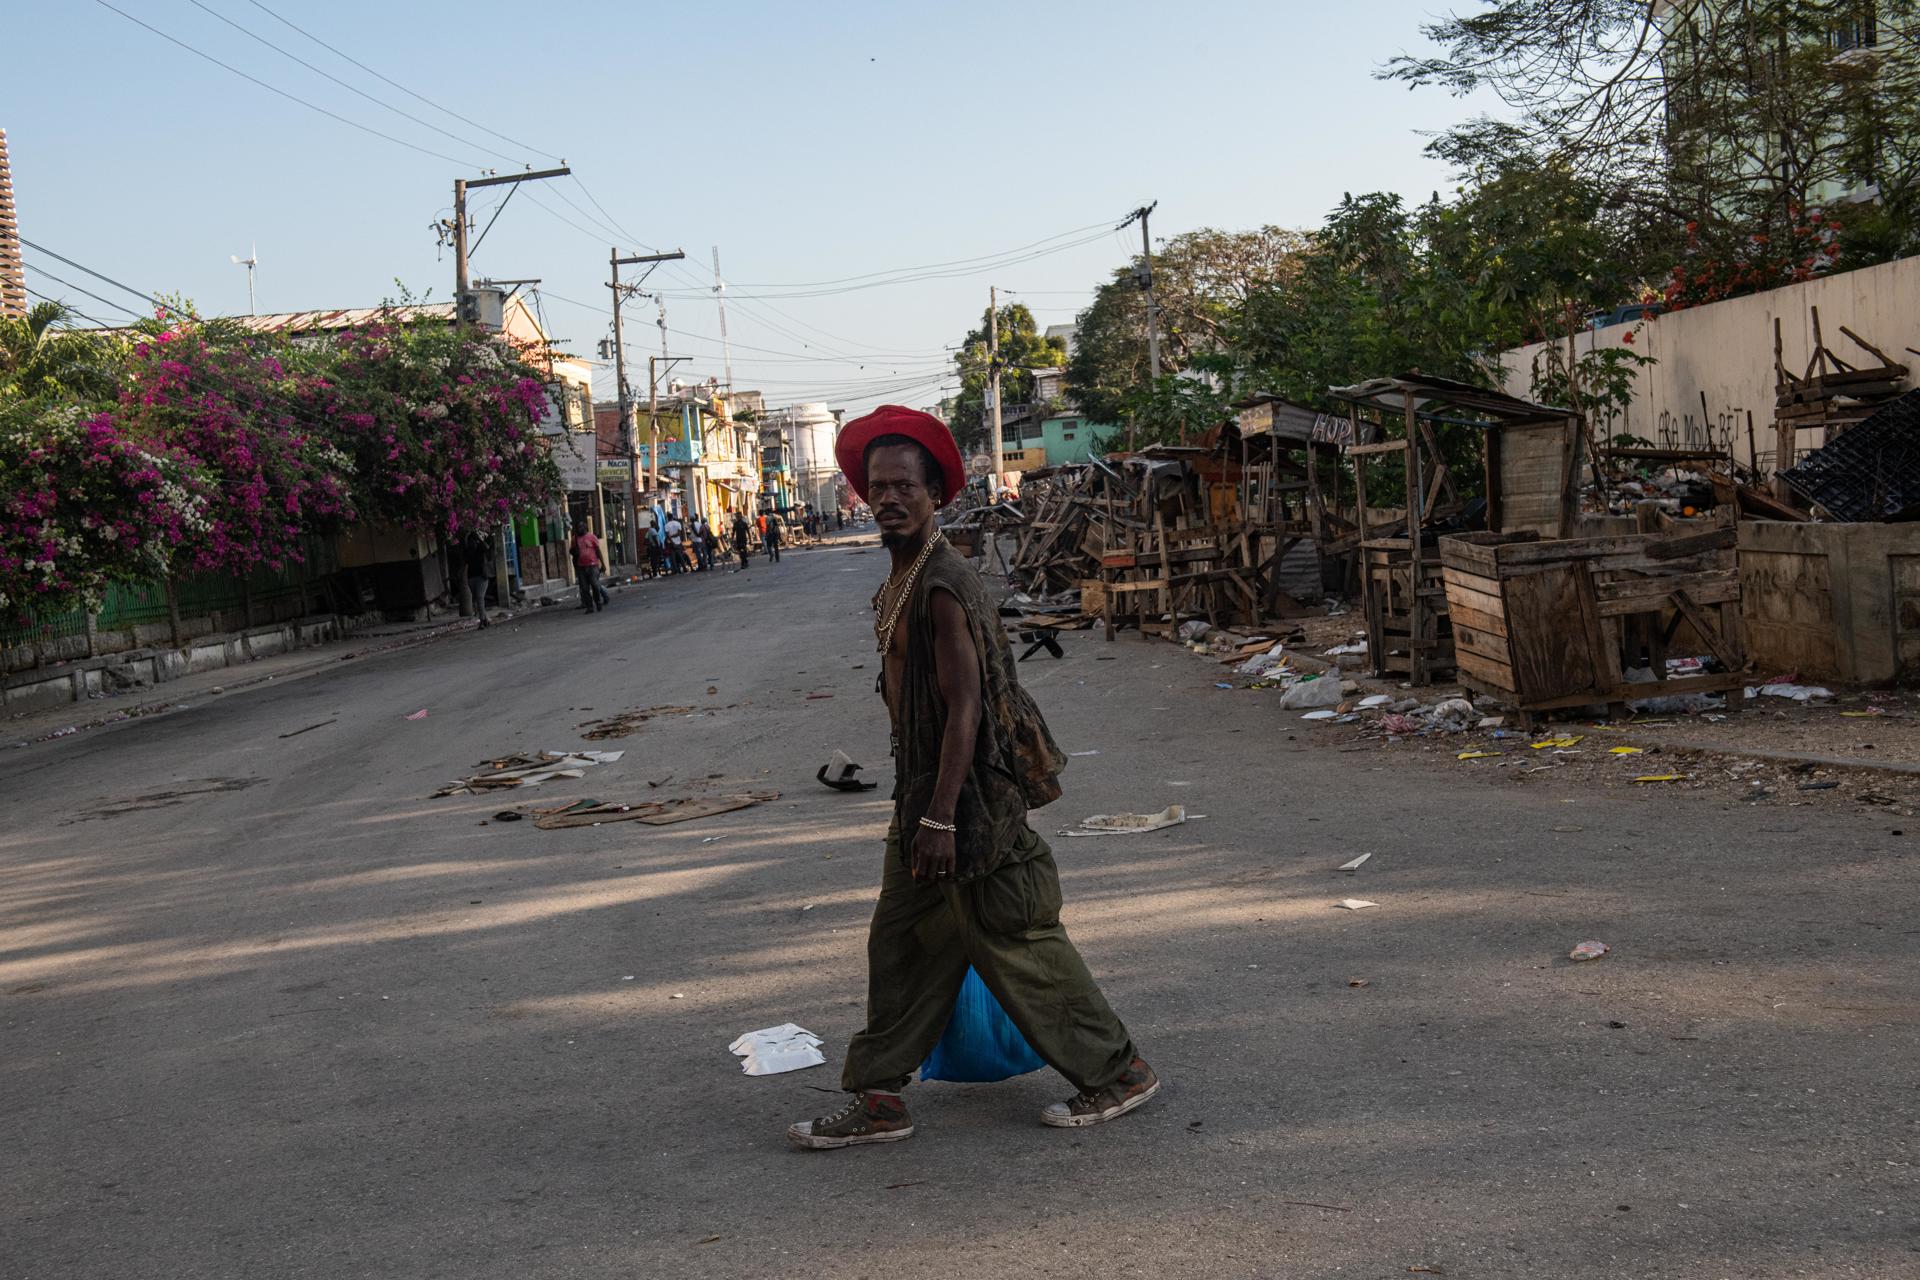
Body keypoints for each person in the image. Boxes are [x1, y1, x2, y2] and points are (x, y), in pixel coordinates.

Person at [787, 405, 1156, 1151]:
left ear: (935, 494)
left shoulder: (942, 584)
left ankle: (1119, 1073)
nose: (889, 498)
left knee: (1018, 940)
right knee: (903, 945)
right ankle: (880, 1098)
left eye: (905, 486)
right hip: (924, 797)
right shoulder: (903, 576)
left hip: (971, 804)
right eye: (878, 486)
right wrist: (921, 809)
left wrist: (942, 817)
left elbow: (968, 708)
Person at [568, 518, 609, 613]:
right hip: (581, 566)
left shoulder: (592, 537)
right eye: (578, 527)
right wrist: (574, 551)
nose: (579, 529)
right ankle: (589, 606)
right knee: (584, 588)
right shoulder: (574, 539)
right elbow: (571, 551)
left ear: (585, 527)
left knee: (595, 584)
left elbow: (598, 551)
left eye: (581, 527)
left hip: (593, 565)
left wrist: (603, 564)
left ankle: (598, 602)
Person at [458, 529, 494, 629]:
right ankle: (485, 619)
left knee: (479, 597)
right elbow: (464, 560)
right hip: (472, 577)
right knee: (477, 599)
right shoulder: (468, 551)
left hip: (482, 577)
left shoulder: (480, 548)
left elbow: (487, 548)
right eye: (471, 541)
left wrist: (479, 539)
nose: (472, 543)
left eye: (473, 541)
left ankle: (482, 620)